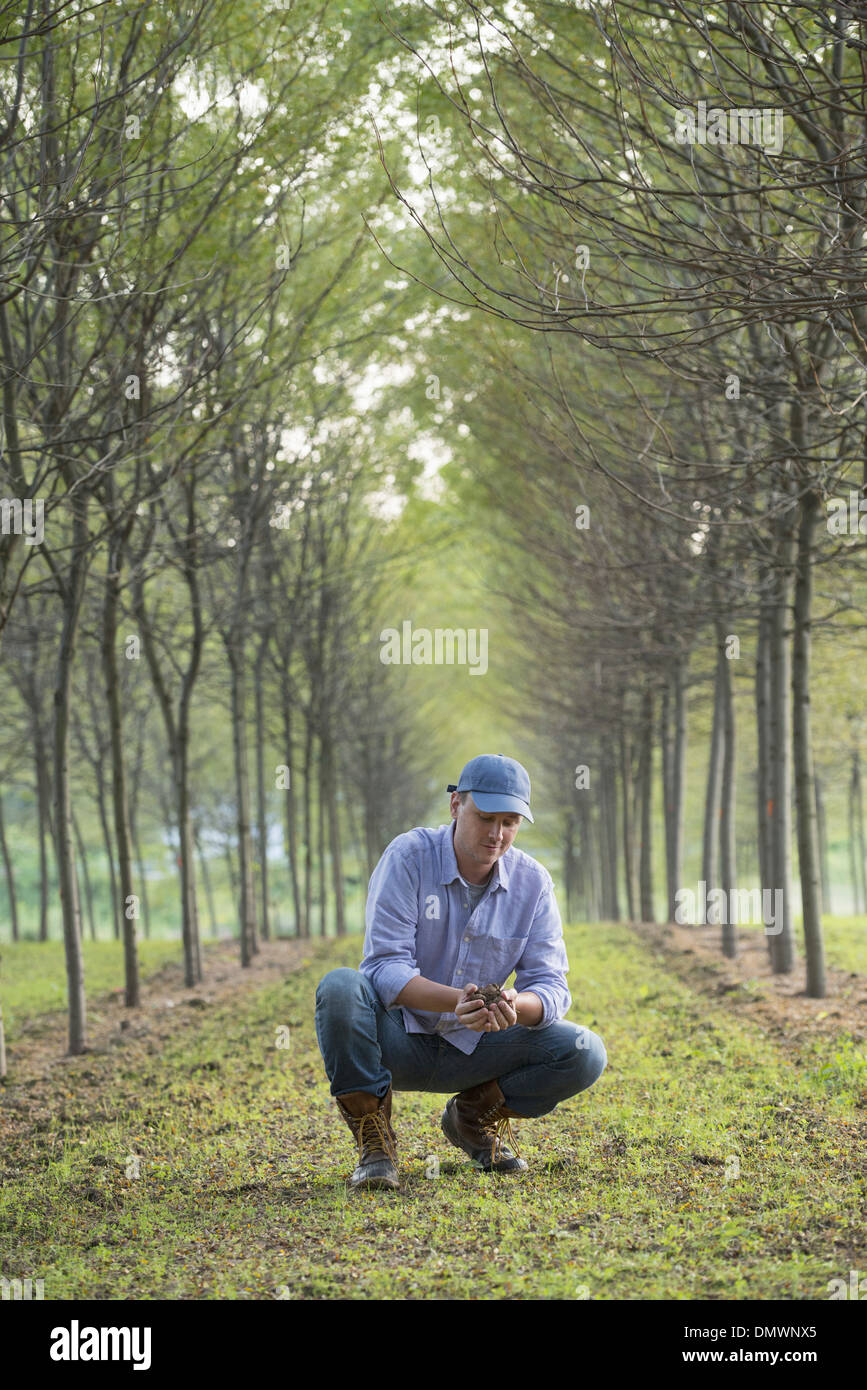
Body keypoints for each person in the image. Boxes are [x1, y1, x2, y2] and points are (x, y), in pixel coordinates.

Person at [314, 753, 607, 1191]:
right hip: (398, 1039)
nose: (496, 834)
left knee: (585, 1051)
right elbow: (384, 966)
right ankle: (375, 1146)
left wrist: (515, 1005)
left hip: (480, 1047)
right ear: (456, 805)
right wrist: (457, 1002)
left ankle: (470, 1119)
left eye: (510, 822)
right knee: (340, 987)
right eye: (486, 818)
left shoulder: (533, 883)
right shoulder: (408, 857)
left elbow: (550, 986)